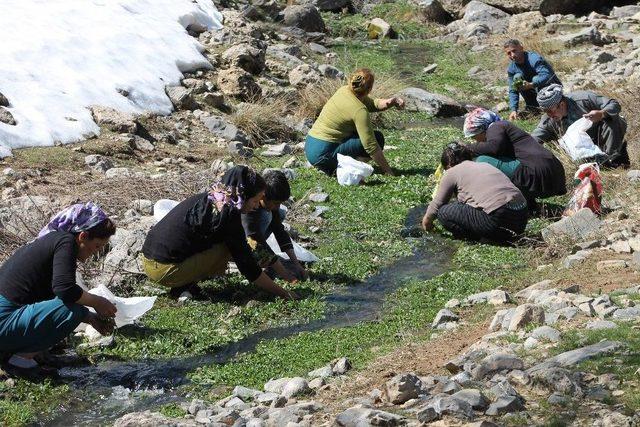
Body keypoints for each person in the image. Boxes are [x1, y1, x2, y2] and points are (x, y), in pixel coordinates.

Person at [141, 165, 297, 301]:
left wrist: (282, 272)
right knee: (227, 247)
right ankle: (183, 283)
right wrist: (283, 292)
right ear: (243, 196)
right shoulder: (227, 215)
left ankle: (185, 284)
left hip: (150, 260)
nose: (256, 206)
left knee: (237, 245)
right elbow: (248, 266)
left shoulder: (215, 198)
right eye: (255, 201)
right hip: (162, 269)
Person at [0, 202, 118, 370]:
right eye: (97, 245)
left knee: (74, 309)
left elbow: (54, 295)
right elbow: (65, 289)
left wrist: (90, 318)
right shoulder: (66, 242)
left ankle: (22, 350)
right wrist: (97, 302)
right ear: (83, 236)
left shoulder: (52, 241)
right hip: (4, 320)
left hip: (7, 317)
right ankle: (21, 360)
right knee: (72, 311)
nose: (95, 252)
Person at [305, 68, 405, 176]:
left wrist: (391, 101)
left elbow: (372, 104)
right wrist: (388, 171)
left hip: (310, 146)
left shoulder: (344, 90)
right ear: (369, 89)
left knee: (359, 135)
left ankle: (339, 163)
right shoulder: (359, 110)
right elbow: (371, 145)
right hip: (323, 155)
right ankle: (347, 165)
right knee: (377, 138)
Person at [421, 143, 528, 243]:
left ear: (448, 165)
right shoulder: (485, 165)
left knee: (443, 212)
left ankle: (479, 238)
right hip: (521, 218)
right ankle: (497, 236)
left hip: (498, 220)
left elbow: (437, 205)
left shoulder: (451, 172)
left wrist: (426, 223)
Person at [463, 108, 566, 204]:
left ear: (482, 128)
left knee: (483, 160)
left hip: (539, 174)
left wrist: (466, 148)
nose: (475, 140)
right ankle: (529, 204)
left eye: (474, 136)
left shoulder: (496, 126)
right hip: (554, 174)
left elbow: (494, 147)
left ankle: (512, 203)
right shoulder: (503, 129)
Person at [532, 84, 630, 168]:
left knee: (613, 120)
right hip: (582, 152)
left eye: (550, 111)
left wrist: (601, 113)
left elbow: (614, 104)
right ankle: (600, 164)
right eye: (546, 112)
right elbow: (533, 139)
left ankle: (612, 160)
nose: (549, 115)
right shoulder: (548, 120)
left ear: (561, 105)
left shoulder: (584, 99)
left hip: (603, 136)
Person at [241, 170, 308, 282]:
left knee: (278, 213)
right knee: (266, 216)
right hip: (242, 241)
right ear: (262, 196)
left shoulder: (270, 206)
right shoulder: (249, 206)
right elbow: (254, 238)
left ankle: (263, 257)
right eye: (276, 202)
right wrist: (286, 275)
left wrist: (297, 265)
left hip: (255, 234)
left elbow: (279, 232)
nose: (277, 206)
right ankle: (253, 257)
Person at [504, 39, 561, 121]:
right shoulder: (511, 68)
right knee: (517, 77)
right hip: (533, 94)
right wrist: (514, 109)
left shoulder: (534, 58)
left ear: (521, 48)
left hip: (551, 91)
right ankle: (534, 107)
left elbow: (546, 76)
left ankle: (548, 106)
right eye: (509, 53)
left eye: (514, 51)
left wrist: (531, 84)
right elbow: (513, 90)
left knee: (536, 78)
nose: (512, 55)